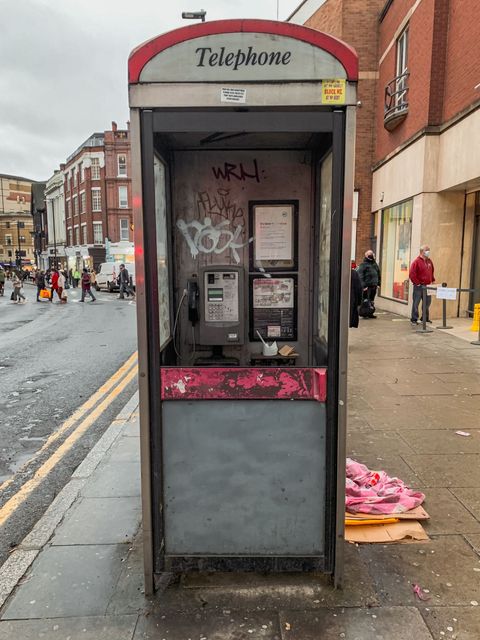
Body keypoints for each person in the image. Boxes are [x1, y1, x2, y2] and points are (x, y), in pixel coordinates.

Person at [409, 244, 435, 325]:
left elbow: (432, 271)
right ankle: (414, 319)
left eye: (429, 250)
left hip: (428, 286)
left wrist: (432, 280)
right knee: (416, 303)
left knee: (427, 303)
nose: (428, 251)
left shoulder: (429, 261)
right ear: (422, 251)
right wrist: (417, 283)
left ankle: (425, 318)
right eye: (426, 250)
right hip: (419, 286)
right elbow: (412, 274)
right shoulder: (416, 262)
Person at [357, 250, 381, 318]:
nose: (371, 256)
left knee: (372, 300)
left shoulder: (375, 264)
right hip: (367, 286)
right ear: (366, 256)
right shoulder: (363, 265)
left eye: (372, 254)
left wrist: (378, 283)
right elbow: (360, 276)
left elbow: (378, 274)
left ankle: (370, 313)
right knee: (366, 300)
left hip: (374, 286)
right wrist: (363, 286)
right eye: (370, 254)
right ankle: (365, 313)